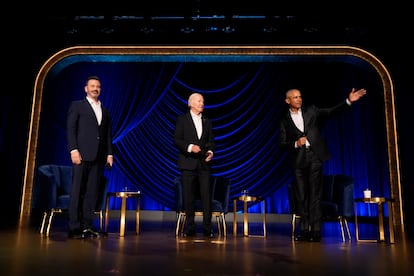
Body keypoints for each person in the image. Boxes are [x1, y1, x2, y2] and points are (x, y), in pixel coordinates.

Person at [279, 87, 366, 242]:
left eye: (300, 96)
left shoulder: (311, 110)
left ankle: (316, 231)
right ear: (288, 101)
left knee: (315, 195)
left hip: (314, 158)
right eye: (295, 97)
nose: (299, 99)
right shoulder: (284, 120)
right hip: (298, 161)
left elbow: (330, 111)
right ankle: (305, 230)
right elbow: (281, 143)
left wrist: (348, 101)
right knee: (301, 196)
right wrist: (295, 143)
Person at [66, 75, 113, 239]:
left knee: (92, 192)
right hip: (81, 155)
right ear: (86, 88)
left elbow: (107, 135)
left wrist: (109, 153)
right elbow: (71, 129)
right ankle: (74, 226)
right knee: (77, 190)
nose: (95, 88)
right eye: (92, 85)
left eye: (98, 86)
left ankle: (87, 225)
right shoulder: (77, 106)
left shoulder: (104, 110)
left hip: (99, 157)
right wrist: (73, 150)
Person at [174, 92, 216, 238]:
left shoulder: (207, 121)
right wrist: (190, 147)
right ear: (190, 103)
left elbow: (211, 141)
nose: (202, 103)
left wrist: (210, 151)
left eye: (203, 101)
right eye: (199, 101)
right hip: (188, 162)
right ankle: (190, 228)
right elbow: (177, 140)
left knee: (206, 196)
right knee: (189, 196)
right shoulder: (182, 119)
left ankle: (207, 228)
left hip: (204, 163)